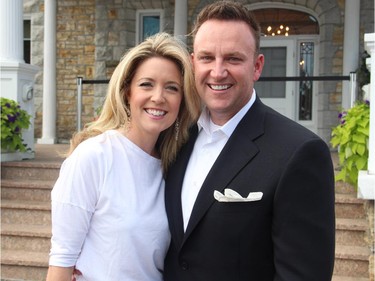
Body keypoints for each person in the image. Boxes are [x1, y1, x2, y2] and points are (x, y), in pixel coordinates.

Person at [164, 1, 335, 281]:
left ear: (257, 66)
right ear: (193, 63)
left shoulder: (300, 152)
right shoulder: (176, 138)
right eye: (207, 58)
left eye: (233, 58)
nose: (218, 72)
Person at [46, 32, 201, 281]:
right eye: (146, 84)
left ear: (182, 101)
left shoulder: (176, 166)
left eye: (172, 88)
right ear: (127, 92)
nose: (158, 97)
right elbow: (62, 262)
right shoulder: (93, 157)